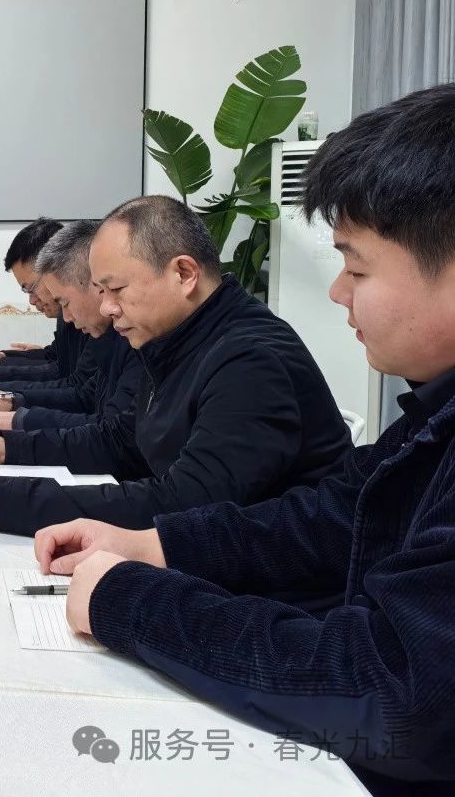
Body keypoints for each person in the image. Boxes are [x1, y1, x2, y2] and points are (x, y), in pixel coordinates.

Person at [36, 83, 455, 795]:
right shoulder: (432, 411)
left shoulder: (250, 354)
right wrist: (154, 546)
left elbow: (394, 691)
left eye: (356, 268)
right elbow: (331, 514)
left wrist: (131, 600)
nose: (338, 293)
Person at [0, 195, 351, 542]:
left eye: (116, 289)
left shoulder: (249, 360)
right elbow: (122, 441)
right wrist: (9, 448)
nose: (106, 307)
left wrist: (7, 501)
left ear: (183, 273)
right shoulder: (174, 338)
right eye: (101, 291)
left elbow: (186, 504)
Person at [0, 220, 141, 435]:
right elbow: (80, 389)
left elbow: (110, 433)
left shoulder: (132, 336)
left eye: (116, 288)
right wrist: (5, 388)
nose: (32, 300)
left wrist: (5, 388)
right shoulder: (100, 326)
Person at [0, 219, 83, 379]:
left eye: (31, 289)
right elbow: (55, 356)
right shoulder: (65, 314)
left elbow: (65, 376)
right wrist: (2, 357)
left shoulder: (94, 318)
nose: (32, 301)